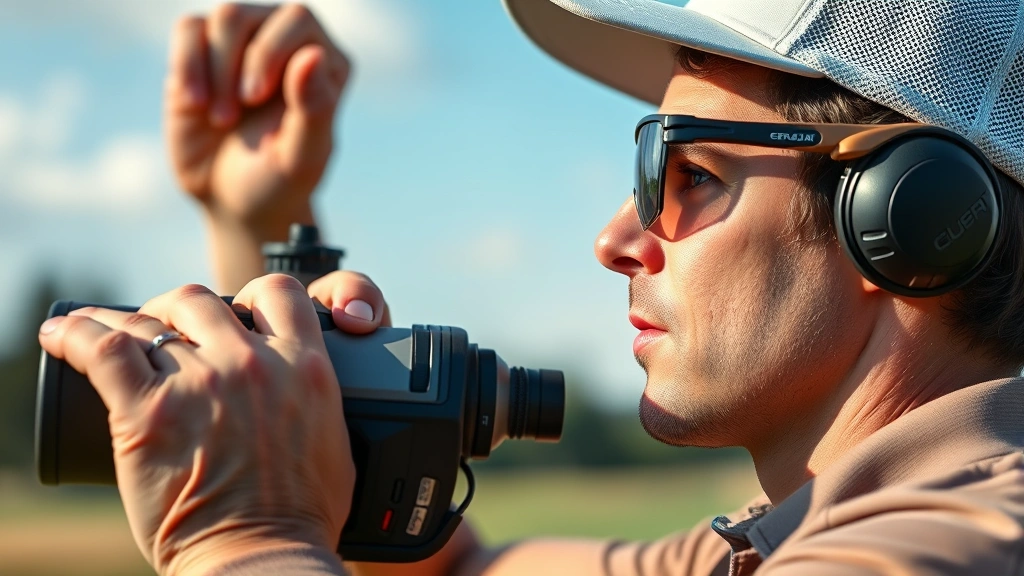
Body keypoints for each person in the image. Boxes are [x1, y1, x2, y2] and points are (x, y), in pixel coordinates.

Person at [37, 0, 1024, 574]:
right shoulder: (812, 529)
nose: (615, 240)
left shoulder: (950, 547)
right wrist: (259, 240)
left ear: (911, 220)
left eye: (691, 175)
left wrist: (240, 538)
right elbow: (461, 571)